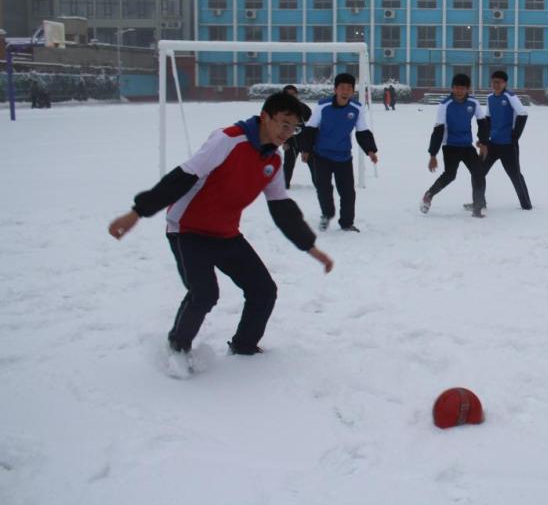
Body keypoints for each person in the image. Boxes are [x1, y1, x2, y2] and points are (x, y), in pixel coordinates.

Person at [106, 92, 334, 356]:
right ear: (265, 117)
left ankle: (244, 347)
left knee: (263, 290)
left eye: (294, 128)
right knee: (204, 294)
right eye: (284, 123)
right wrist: (137, 213)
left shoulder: (272, 160)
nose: (288, 132)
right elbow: (183, 177)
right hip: (187, 230)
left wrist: (310, 247)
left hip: (226, 234)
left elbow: (283, 209)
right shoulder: (228, 140)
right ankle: (178, 348)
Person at [300, 72, 379, 233]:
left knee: (348, 192)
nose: (345, 91)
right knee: (323, 188)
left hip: (343, 156)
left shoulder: (356, 108)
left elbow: (362, 131)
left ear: (353, 91)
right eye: (342, 88)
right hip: (321, 155)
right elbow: (310, 128)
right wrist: (305, 149)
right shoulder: (323, 106)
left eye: (349, 88)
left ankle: (347, 223)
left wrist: (370, 150)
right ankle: (327, 214)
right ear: (335, 89)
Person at [420, 73, 489, 218]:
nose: (458, 91)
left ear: (467, 89)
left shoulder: (473, 103)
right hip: (450, 146)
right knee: (450, 175)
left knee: (478, 172)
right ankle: (429, 194)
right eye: (456, 88)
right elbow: (438, 130)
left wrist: (482, 143)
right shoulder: (445, 105)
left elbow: (482, 123)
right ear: (452, 88)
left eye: (462, 88)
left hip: (466, 146)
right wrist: (433, 154)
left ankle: (477, 207)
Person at [467, 70, 532, 211]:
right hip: (493, 144)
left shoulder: (510, 96)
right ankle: (479, 202)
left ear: (504, 83)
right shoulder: (490, 98)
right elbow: (487, 120)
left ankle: (526, 205)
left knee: (515, 175)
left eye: (499, 82)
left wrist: (514, 136)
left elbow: (523, 114)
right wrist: (483, 140)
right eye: (494, 81)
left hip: (508, 145)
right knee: (478, 171)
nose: (496, 84)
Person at [281, 84, 313, 189]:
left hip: (305, 142)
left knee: (314, 165)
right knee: (288, 166)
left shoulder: (304, 108)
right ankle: (284, 185)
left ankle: (320, 184)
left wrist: (309, 144)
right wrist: (283, 142)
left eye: (293, 95)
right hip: (290, 142)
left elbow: (312, 126)